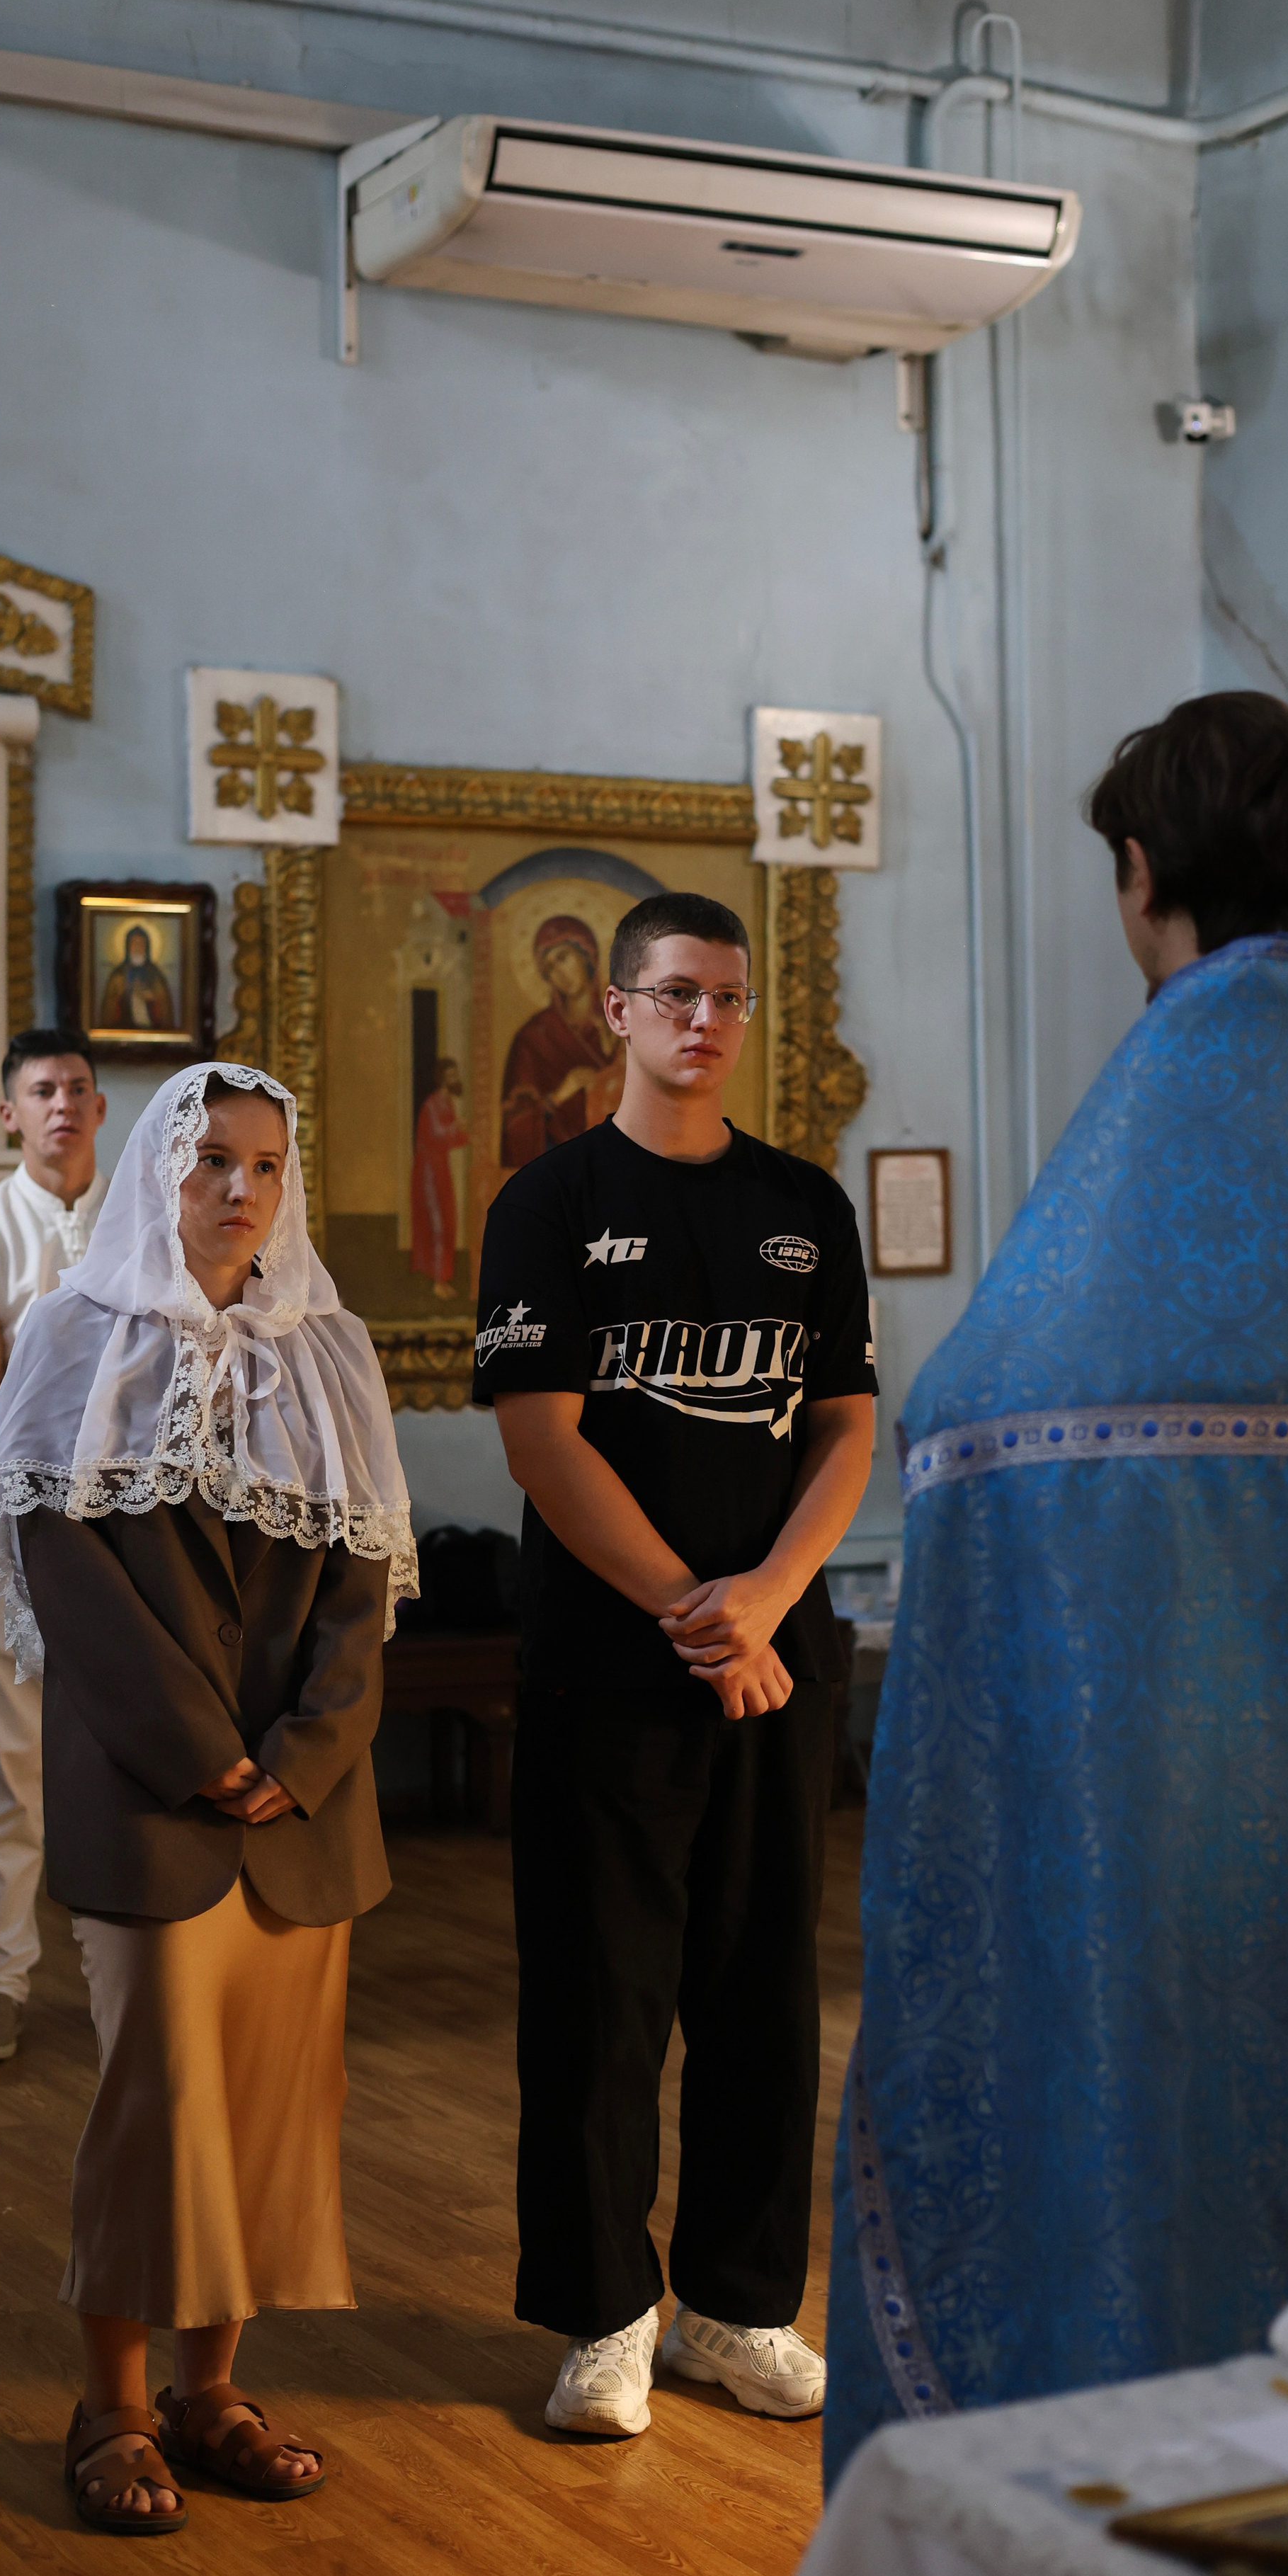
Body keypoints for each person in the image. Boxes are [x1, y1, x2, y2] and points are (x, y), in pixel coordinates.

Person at [823, 690, 1288, 2488]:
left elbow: (972, 1435)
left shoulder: (1163, 1118)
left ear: (1135, 876)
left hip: (1192, 1864)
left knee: (1184, 2230)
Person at [0, 1061, 417, 2534]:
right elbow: (58, 1564)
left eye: (267, 1165)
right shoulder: (71, 1333)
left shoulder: (329, 1347)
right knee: (155, 2114)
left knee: (275, 2117)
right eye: (210, 1159)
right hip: (156, 1797)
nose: (239, 1190)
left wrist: (301, 1756)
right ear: (157, 1170)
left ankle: (211, 2394)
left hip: (301, 1807)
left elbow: (365, 1579)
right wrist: (197, 1748)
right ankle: (109, 2406)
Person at [472, 890, 877, 2439]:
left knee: (760, 1990)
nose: (703, 1021)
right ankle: (601, 2316)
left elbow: (840, 1424)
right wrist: (688, 1612)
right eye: (674, 994)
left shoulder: (801, 1206)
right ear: (618, 1014)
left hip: (777, 1663)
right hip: (607, 1660)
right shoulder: (549, 1198)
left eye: (727, 997)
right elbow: (537, 1437)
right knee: (600, 1996)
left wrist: (766, 1601)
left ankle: (738, 2307)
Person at [0, 1030, 109, 2063]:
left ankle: (117, 1975)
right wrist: (44, 1503)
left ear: (98, 1107)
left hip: (131, 1532)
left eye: (79, 1090)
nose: (62, 1106)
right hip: (17, 1524)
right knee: (9, 1757)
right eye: (42, 1090)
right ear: (10, 1113)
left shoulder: (146, 1219)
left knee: (119, 1753)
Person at [498, 914, 623, 1170]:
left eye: (563, 958)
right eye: (550, 969)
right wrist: (559, 1096)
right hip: (563, 1168)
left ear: (586, 954)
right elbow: (514, 1127)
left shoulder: (624, 1022)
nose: (559, 974)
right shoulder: (533, 1038)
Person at [410, 1054, 467, 1297]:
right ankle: (437, 1281)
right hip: (428, 1172)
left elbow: (455, 1139)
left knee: (448, 1219)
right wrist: (459, 1130)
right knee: (437, 1224)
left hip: (441, 1168)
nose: (455, 1079)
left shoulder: (448, 1103)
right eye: (451, 1075)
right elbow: (436, 1135)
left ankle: (443, 1277)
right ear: (443, 1078)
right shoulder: (432, 1104)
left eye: (456, 1074)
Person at [98, 923, 177, 1033]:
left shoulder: (156, 974)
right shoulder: (118, 974)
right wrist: (125, 995)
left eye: (141, 944)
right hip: (123, 1028)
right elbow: (109, 1008)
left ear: (147, 947)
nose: (137, 948)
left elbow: (165, 1007)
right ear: (128, 946)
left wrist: (152, 998)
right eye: (134, 943)